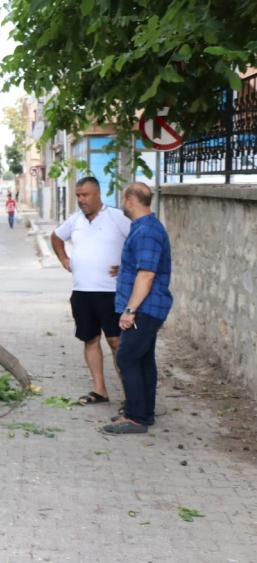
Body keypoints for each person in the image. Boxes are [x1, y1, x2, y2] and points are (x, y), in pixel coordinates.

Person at [51, 177, 131, 407]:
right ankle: (100, 390)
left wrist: (127, 265)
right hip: (82, 292)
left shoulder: (117, 217)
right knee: (90, 339)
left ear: (98, 194)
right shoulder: (75, 220)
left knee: (117, 342)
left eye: (85, 195)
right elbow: (56, 237)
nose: (81, 200)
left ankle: (129, 395)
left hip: (111, 293)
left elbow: (136, 241)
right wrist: (64, 259)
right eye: (78, 195)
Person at [103, 182, 172, 435]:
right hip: (147, 306)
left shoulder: (146, 231)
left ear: (131, 200)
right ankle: (144, 413)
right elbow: (142, 266)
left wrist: (130, 311)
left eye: (123, 199)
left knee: (126, 357)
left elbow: (147, 275)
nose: (122, 203)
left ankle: (134, 417)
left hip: (145, 308)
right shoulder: (144, 228)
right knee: (143, 359)